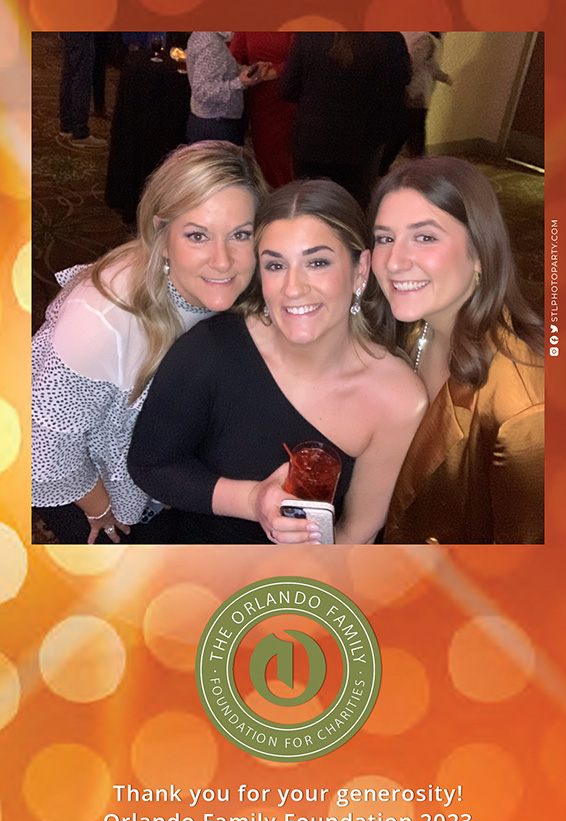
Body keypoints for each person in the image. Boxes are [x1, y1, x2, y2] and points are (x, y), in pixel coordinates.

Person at [127, 179, 427, 544]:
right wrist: (251, 500)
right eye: (275, 265)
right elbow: (151, 466)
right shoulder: (210, 350)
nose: (293, 288)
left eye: (317, 262)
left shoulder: (398, 399)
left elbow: (356, 532)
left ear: (360, 270)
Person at [32, 141, 268, 545]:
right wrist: (100, 507)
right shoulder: (101, 323)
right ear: (161, 232)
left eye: (240, 235)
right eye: (197, 235)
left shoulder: (246, 288)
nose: (222, 260)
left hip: (159, 467)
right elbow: (44, 449)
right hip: (88, 481)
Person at [370, 156, 544, 544]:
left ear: (480, 253)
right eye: (384, 238)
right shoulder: (419, 323)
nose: (394, 262)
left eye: (425, 237)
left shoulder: (524, 408)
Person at [281, 32, 411, 208]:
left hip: (312, 139)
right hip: (363, 142)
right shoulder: (389, 37)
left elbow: (287, 89)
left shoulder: (310, 34)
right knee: (352, 208)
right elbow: (399, 86)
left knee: (309, 206)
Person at [229, 32, 296, 187]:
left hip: (285, 97)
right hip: (259, 97)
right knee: (264, 153)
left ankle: (287, 194)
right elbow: (233, 56)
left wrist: (277, 70)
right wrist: (248, 70)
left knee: (285, 155)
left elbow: (301, 58)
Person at [380, 32, 452, 173]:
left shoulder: (430, 40)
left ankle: (383, 166)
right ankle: (418, 168)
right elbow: (415, 64)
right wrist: (443, 77)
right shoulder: (427, 40)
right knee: (414, 132)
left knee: (404, 132)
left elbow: (428, 65)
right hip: (416, 93)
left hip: (416, 93)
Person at [185, 32, 269, 146]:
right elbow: (202, 91)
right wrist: (240, 83)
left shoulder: (206, 36)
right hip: (216, 125)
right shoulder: (210, 42)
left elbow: (223, 71)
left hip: (211, 122)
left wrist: (248, 71)